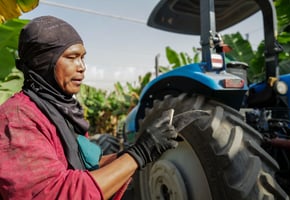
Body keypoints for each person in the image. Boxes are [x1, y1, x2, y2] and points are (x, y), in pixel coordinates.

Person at [0, 16, 178, 200]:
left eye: (82, 58)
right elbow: (53, 193)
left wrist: (140, 149)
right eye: (71, 57)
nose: (82, 67)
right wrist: (139, 154)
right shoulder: (17, 118)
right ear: (43, 62)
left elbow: (85, 166)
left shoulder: (62, 111)